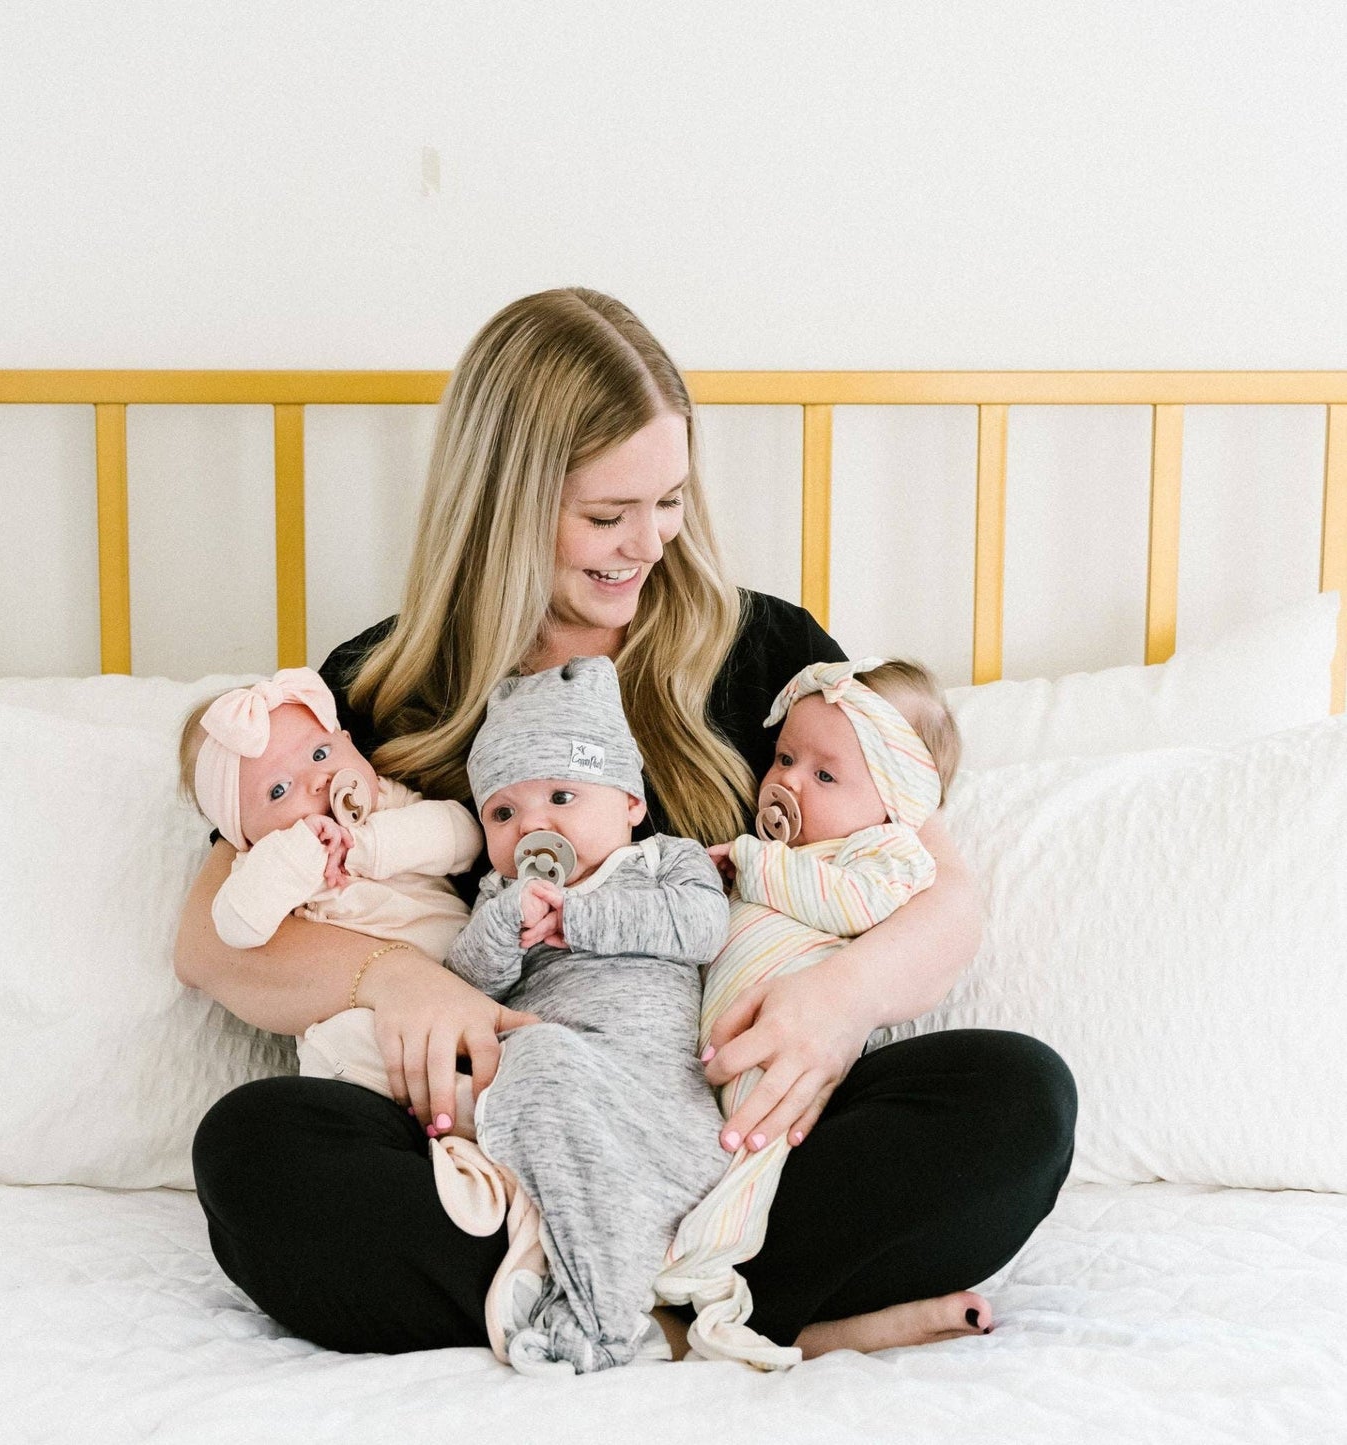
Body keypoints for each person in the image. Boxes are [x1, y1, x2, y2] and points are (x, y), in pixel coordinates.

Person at [178, 285, 1077, 1360]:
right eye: (605, 516)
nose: (645, 545)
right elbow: (207, 938)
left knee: (1015, 1098)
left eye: (668, 502)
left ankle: (614, 1302)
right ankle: (718, 1309)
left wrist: (842, 999)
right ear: (505, 505)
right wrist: (394, 977)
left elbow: (943, 888)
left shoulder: (767, 653)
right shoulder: (375, 689)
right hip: (506, 1153)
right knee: (255, 1153)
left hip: (738, 1139)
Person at [654, 656, 959, 1367]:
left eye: (825, 775)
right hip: (699, 1050)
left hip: (785, 1062)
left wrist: (750, 862)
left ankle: (707, 1278)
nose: (787, 781)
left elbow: (855, 903)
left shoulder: (886, 854)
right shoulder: (785, 853)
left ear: (893, 800)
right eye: (784, 757)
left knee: (748, 1155)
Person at [439, 654, 729, 1373]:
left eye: (562, 795)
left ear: (629, 803)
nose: (530, 825)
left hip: (657, 1098)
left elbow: (701, 926)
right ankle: (590, 1288)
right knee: (532, 1065)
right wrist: (505, 924)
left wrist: (583, 917)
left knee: (545, 1072)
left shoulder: (666, 861)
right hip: (556, 1084)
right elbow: (463, 984)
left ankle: (598, 1316)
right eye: (503, 812)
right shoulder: (497, 897)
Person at [175, 666, 483, 1114]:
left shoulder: (385, 801)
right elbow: (234, 926)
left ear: (349, 743)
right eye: (278, 790)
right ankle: (459, 1109)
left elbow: (464, 837)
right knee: (333, 1046)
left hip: (467, 969)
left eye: (320, 753)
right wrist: (301, 854)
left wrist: (361, 847)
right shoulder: (269, 862)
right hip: (372, 1017)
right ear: (242, 835)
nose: (316, 781)